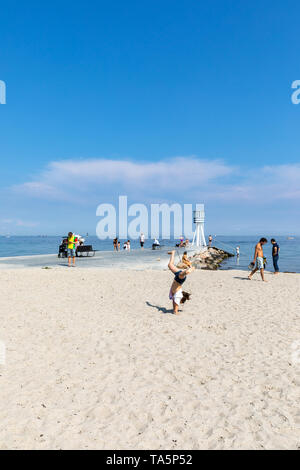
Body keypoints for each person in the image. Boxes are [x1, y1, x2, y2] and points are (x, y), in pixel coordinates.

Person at [168, 250, 195, 315]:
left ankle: (173, 253)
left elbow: (174, 305)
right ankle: (189, 270)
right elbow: (175, 311)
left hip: (177, 278)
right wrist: (176, 311)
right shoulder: (178, 296)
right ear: (181, 299)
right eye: (181, 302)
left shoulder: (175, 296)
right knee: (182, 274)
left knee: (170, 265)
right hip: (180, 279)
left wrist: (175, 310)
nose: (179, 303)